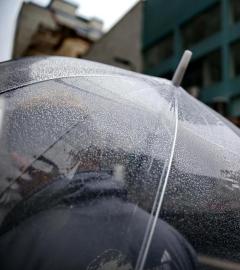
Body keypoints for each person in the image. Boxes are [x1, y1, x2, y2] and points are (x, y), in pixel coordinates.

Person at [0, 96, 198, 270]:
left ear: (25, 158)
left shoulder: (17, 250)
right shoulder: (171, 241)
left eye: (15, 149)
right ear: (95, 155)